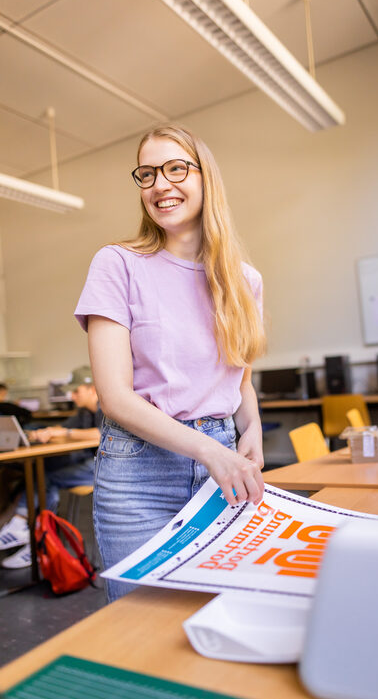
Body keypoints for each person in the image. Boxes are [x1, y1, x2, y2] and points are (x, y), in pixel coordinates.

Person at [73, 124, 266, 602]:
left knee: (222, 610)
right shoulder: (117, 263)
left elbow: (237, 373)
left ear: (206, 178)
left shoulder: (244, 279)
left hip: (223, 455)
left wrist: (252, 431)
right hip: (139, 470)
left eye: (176, 168)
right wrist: (210, 451)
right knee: (142, 625)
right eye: (147, 174)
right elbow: (115, 398)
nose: (160, 184)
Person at [0, 366, 102, 569]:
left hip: (103, 468)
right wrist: (47, 431)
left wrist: (68, 433)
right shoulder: (84, 412)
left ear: (92, 389)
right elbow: (64, 428)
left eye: (76, 391)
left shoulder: (106, 408)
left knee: (47, 477)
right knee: (43, 470)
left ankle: (34, 535)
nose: (72, 396)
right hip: (87, 463)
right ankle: (37, 537)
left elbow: (100, 434)